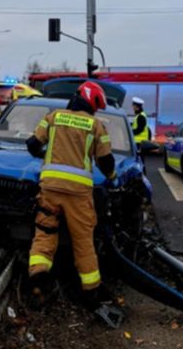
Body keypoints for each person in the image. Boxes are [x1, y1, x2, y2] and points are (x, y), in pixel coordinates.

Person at [25, 81, 117, 311]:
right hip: (78, 194)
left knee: (45, 233)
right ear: (91, 103)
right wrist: (112, 176)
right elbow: (105, 160)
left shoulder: (54, 117)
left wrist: (47, 156)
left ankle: (38, 278)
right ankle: (90, 292)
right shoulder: (96, 125)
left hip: (50, 188)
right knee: (83, 242)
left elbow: (32, 144)